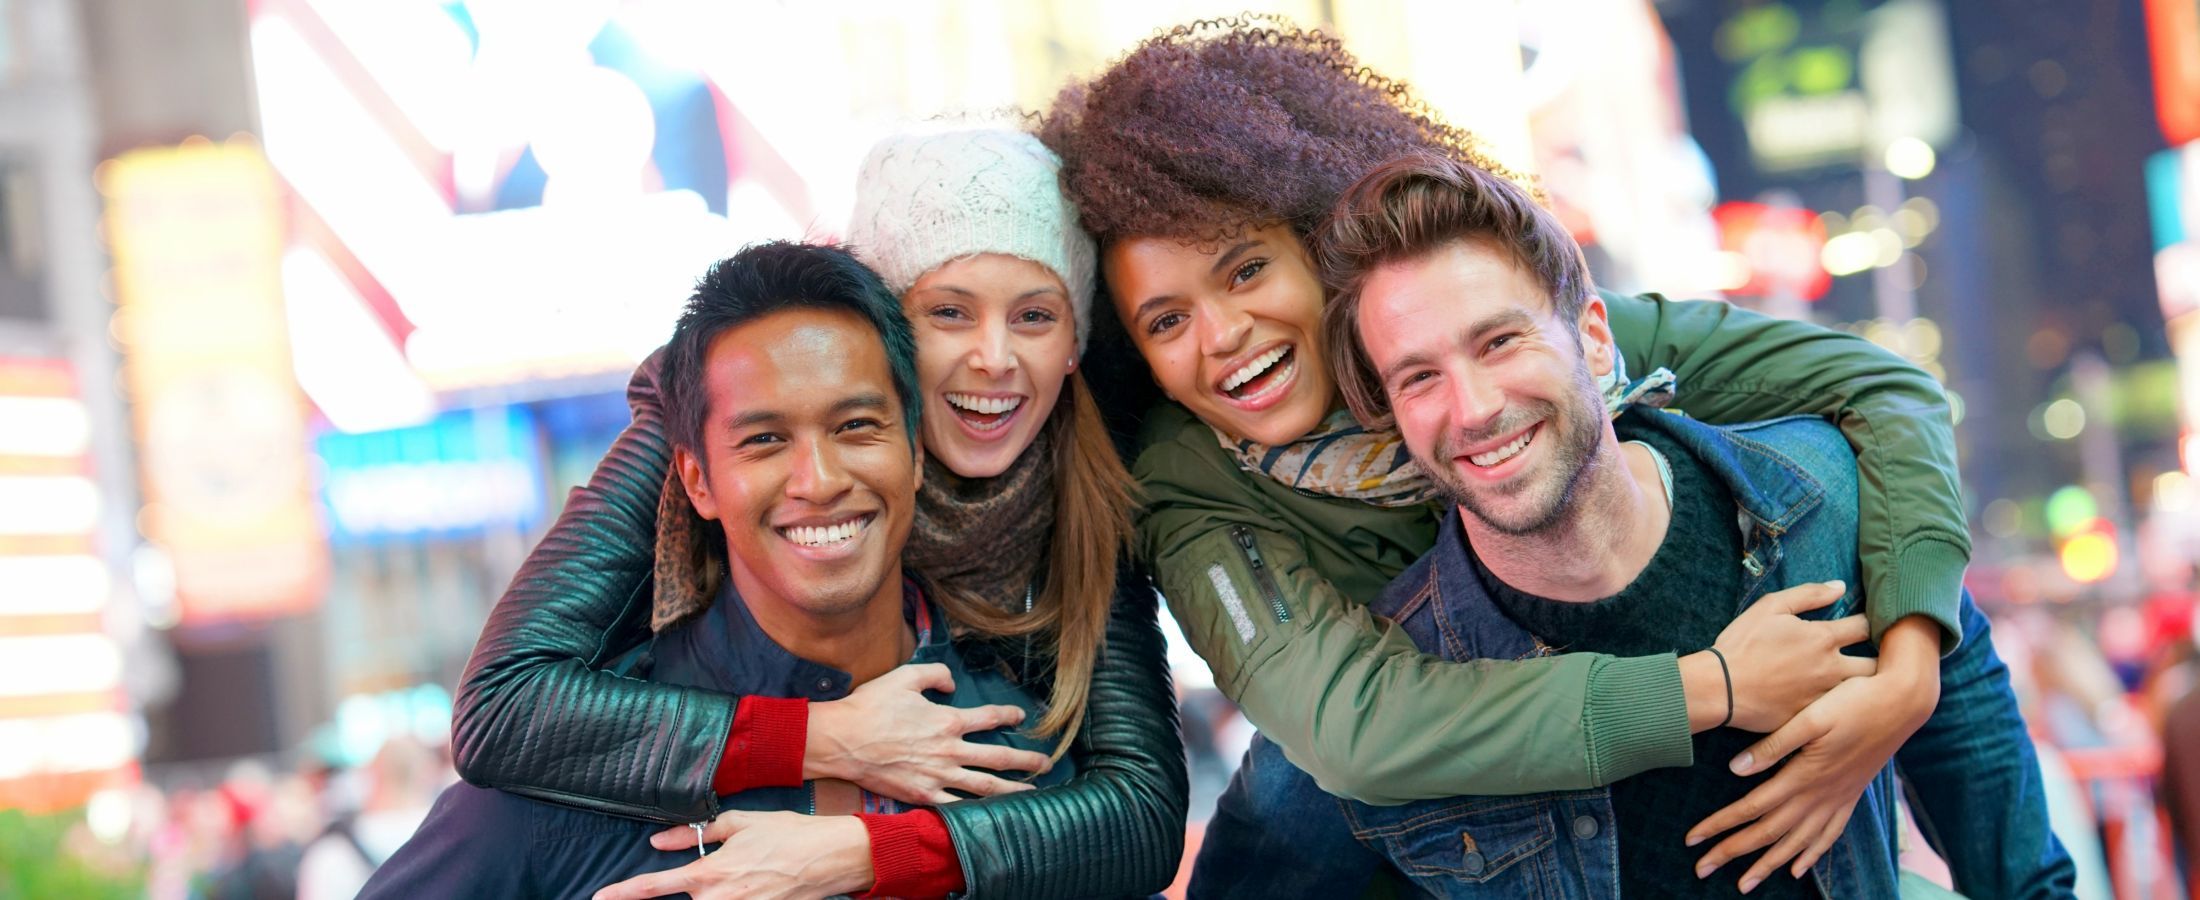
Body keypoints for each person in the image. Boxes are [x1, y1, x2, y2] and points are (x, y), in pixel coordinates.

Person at [1037, 17, 2059, 898]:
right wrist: (1713, 686)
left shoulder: (1526, 332)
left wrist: (1906, 675)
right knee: (1300, 788)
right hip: (1403, 797)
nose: (1221, 334)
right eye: (1167, 321)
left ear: (1316, 240)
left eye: (1247, 268)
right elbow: (1355, 732)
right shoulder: (1185, 479)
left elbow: (1876, 393)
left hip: (1605, 743)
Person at [1272, 150, 2063, 897]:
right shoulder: (1398, 693)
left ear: (1591, 334)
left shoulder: (1826, 498)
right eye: (1419, 378)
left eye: (1500, 340)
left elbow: (2007, 836)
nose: (1473, 408)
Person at [443, 129, 1184, 899]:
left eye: (1034, 316)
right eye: (950, 313)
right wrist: (826, 739)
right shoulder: (706, 407)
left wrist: (864, 852)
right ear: (877, 330)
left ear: (1074, 341)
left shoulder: (1086, 479)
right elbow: (504, 708)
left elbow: (1139, 812)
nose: (995, 357)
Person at [362, 241, 1088, 898]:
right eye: (765, 440)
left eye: (856, 427)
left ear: (916, 450)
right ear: (696, 480)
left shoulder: (1022, 754)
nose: (819, 478)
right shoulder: (558, 785)